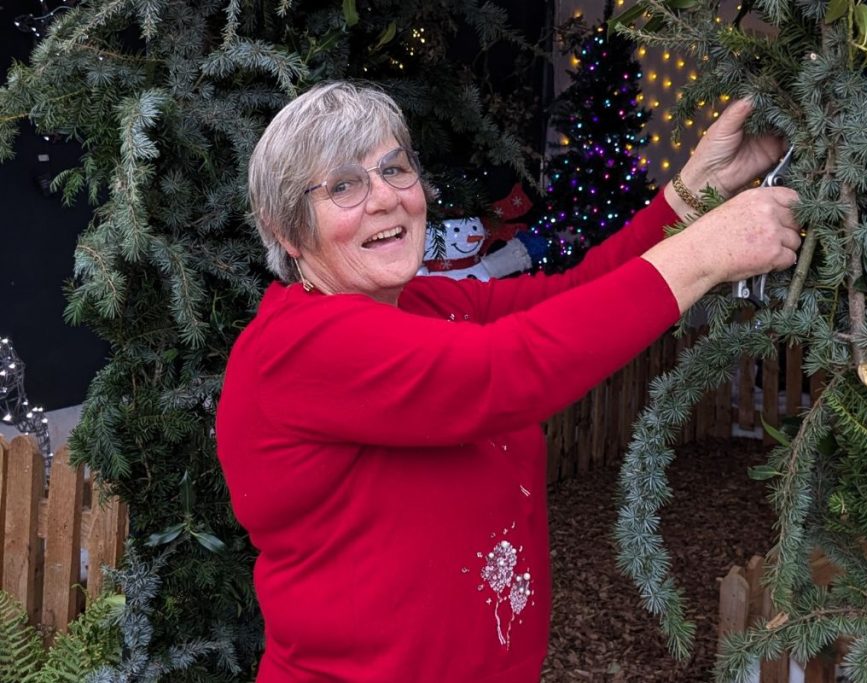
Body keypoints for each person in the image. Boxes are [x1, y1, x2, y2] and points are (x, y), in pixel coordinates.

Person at [216, 80, 801, 682]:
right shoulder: (297, 346)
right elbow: (508, 370)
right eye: (343, 185)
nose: (385, 197)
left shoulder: (423, 304)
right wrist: (705, 254)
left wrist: (691, 195)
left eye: (395, 168)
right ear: (287, 230)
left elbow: (576, 294)